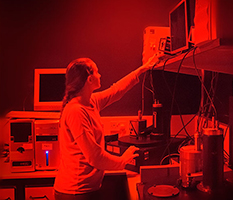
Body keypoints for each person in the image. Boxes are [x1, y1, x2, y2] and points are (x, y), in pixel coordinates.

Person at [53, 54, 159, 200]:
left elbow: (116, 91)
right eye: (97, 71)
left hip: (85, 190)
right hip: (75, 193)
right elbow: (95, 157)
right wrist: (123, 160)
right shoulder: (76, 111)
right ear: (89, 79)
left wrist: (141, 69)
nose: (100, 75)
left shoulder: (91, 102)